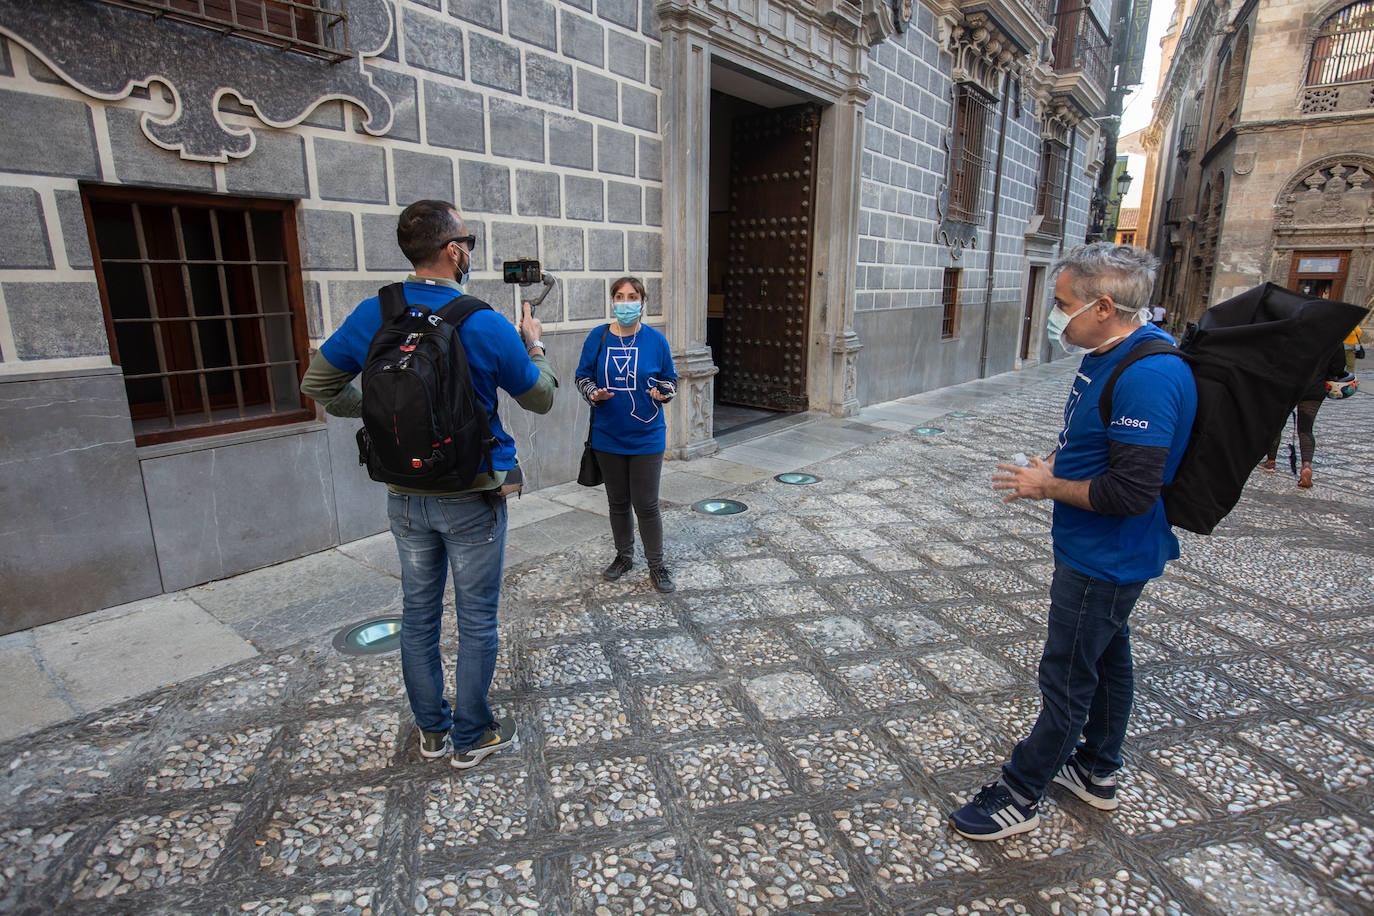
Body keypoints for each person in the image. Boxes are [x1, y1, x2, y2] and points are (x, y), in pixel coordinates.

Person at [949, 243, 1197, 841]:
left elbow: (1132, 492)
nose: (1056, 316)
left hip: (1105, 557)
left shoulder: (1150, 374)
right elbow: (1103, 443)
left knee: (1066, 677)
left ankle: (1020, 792)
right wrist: (1063, 460)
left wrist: (1048, 485)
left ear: (1105, 306)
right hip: (1097, 551)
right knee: (1109, 659)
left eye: (1063, 305)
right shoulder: (1109, 353)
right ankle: (1096, 769)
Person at [300, 200, 557, 768]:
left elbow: (318, 383)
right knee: (477, 617)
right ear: (455, 250)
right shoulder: (484, 320)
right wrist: (534, 344)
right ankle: (473, 737)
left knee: (418, 613)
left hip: (406, 496)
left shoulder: (377, 312)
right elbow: (540, 397)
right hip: (471, 494)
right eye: (470, 240)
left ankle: (433, 732)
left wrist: (381, 412)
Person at [575, 277, 679, 593]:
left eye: (632, 296)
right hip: (608, 435)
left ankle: (657, 565)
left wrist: (663, 394)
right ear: (613, 302)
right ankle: (624, 555)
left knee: (646, 504)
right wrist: (594, 393)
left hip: (647, 434)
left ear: (642, 302)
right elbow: (582, 377)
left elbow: (671, 381)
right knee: (617, 501)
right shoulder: (599, 337)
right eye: (620, 297)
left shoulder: (655, 341)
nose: (625, 302)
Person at [1259, 343, 1347, 488]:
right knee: (1306, 429)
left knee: (1276, 424)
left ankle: (1271, 462)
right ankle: (1306, 466)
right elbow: (1338, 366)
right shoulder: (1334, 331)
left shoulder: (1297, 325)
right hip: (1315, 388)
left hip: (1288, 386)